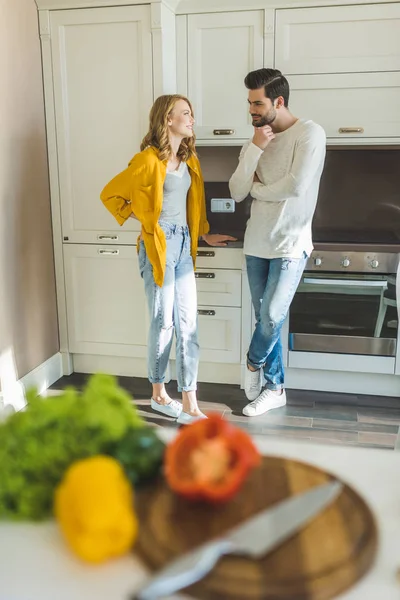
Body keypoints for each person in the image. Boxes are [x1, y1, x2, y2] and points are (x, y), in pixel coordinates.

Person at [101, 95, 235, 424]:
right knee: (164, 323)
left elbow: (194, 203)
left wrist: (203, 233)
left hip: (185, 244)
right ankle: (159, 394)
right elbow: (111, 194)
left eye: (191, 113)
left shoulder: (190, 159)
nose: (192, 118)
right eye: (185, 113)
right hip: (157, 245)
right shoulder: (147, 160)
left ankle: (190, 401)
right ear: (168, 120)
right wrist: (150, 221)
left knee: (188, 324)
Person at [229, 68, 326, 417]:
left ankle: (253, 364)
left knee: (271, 316)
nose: (252, 110)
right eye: (250, 103)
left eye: (258, 103)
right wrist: (255, 150)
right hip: (256, 242)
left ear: (278, 101)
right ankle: (275, 388)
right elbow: (237, 191)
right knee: (266, 318)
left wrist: (259, 189)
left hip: (290, 241)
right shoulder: (256, 139)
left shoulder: (310, 134)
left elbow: (296, 185)